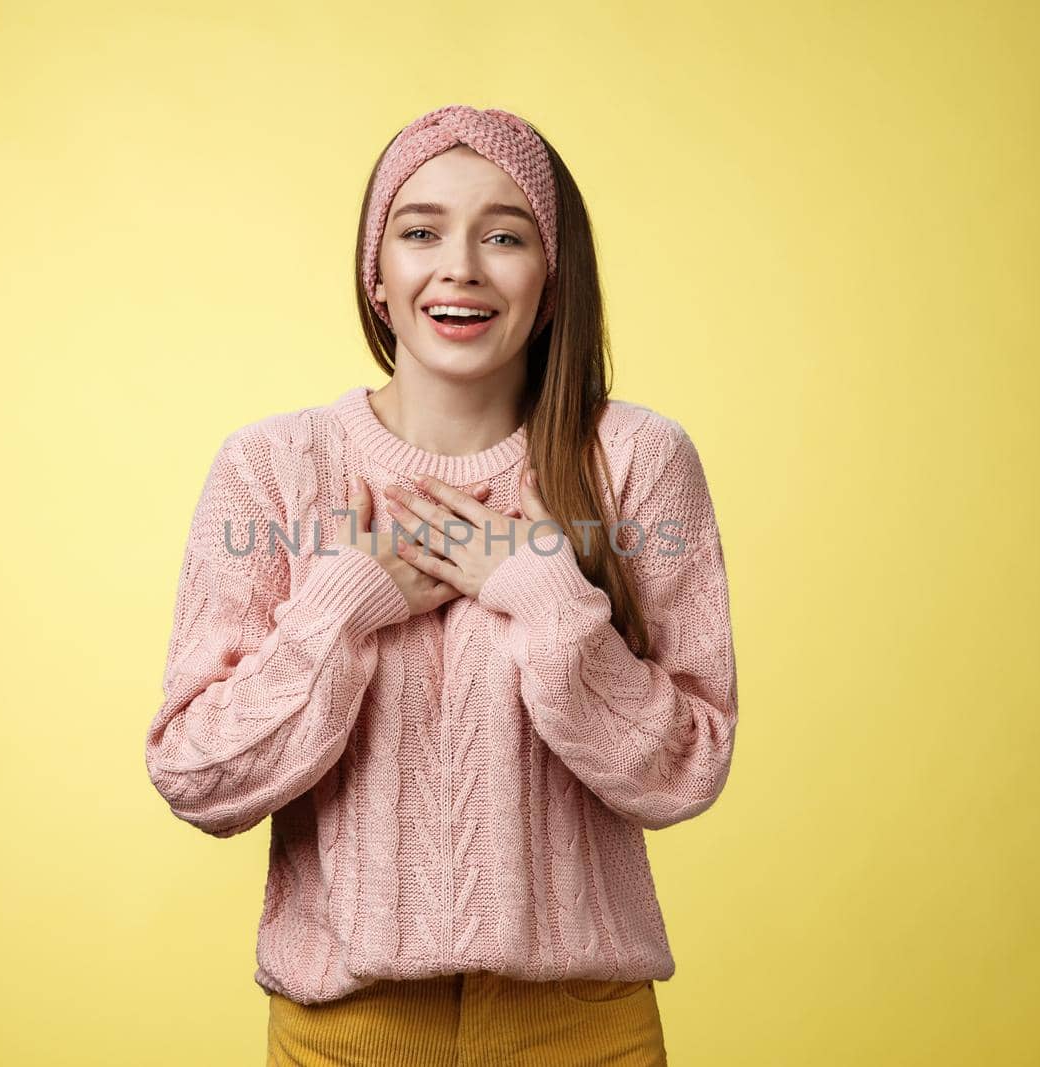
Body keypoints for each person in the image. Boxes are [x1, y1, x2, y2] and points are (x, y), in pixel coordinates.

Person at [143, 103, 739, 1067]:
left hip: (582, 1025)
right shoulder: (271, 469)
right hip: (346, 1030)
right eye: (420, 231)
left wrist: (551, 599)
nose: (459, 265)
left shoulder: (636, 462)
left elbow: (687, 769)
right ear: (377, 275)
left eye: (504, 235)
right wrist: (336, 610)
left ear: (552, 281)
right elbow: (198, 777)